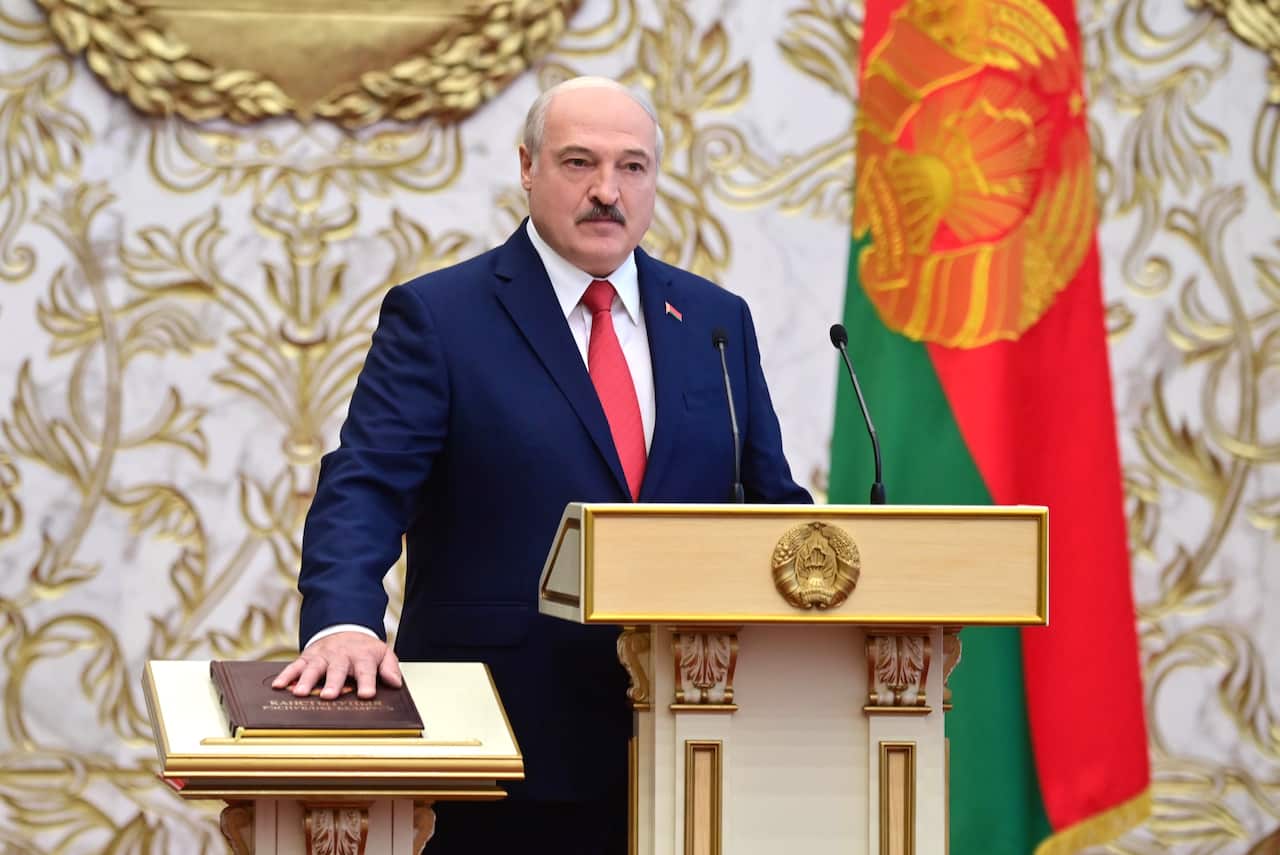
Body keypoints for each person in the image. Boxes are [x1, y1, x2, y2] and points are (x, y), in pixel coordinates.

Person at [273, 76, 811, 852]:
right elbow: (365, 486)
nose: (607, 191)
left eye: (632, 167)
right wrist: (345, 622)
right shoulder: (441, 317)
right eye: (578, 163)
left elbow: (769, 507)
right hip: (505, 744)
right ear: (527, 167)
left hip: (696, 742)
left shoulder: (716, 322)